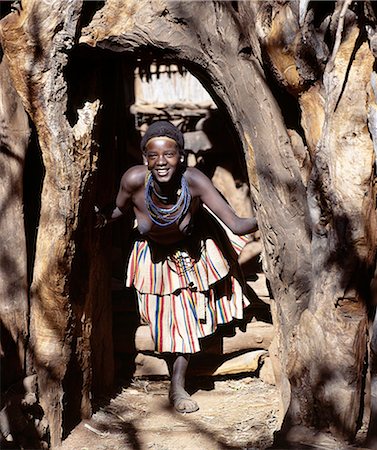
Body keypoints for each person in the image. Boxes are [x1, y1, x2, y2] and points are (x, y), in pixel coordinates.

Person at [96, 120, 258, 413]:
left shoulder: (195, 181)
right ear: (145, 158)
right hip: (152, 259)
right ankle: (176, 380)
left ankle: (177, 387)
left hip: (189, 255)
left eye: (169, 154)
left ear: (181, 156)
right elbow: (118, 209)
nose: (161, 162)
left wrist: (267, 214)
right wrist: (98, 217)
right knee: (165, 321)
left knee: (183, 321)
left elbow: (235, 223)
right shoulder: (133, 180)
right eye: (153, 155)